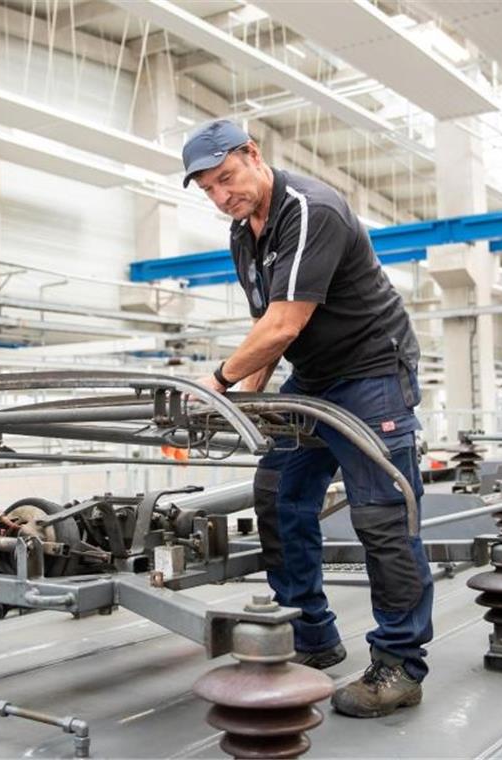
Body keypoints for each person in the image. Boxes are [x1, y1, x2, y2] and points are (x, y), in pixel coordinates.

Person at [184, 120, 433, 718]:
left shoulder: (312, 208)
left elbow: (283, 325)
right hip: (315, 380)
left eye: (227, 179)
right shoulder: (244, 235)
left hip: (372, 373)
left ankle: (400, 664)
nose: (222, 197)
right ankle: (312, 635)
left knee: (382, 516)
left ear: (253, 154)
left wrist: (214, 384)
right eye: (209, 190)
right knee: (278, 493)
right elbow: (268, 335)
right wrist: (244, 407)